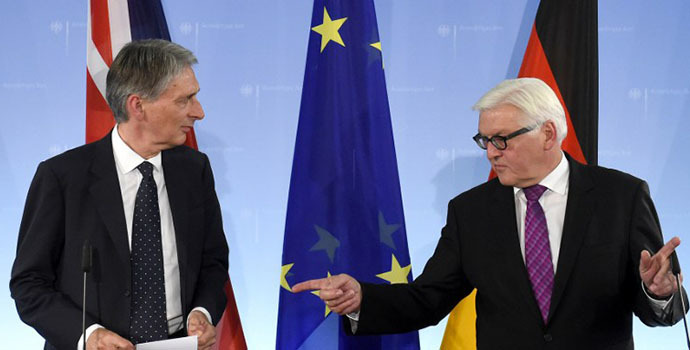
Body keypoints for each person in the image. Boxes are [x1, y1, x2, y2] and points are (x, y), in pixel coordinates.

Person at [293, 78, 688, 349]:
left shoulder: (621, 196)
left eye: (502, 139)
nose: (491, 152)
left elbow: (659, 305)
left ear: (548, 134)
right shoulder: (471, 211)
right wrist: (362, 298)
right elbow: (428, 299)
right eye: (485, 140)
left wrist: (660, 293)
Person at [10, 39, 229, 350]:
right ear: (137, 106)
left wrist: (202, 311)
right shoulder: (62, 178)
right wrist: (87, 335)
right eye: (185, 100)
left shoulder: (195, 170)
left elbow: (213, 262)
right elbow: (29, 284)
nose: (199, 112)